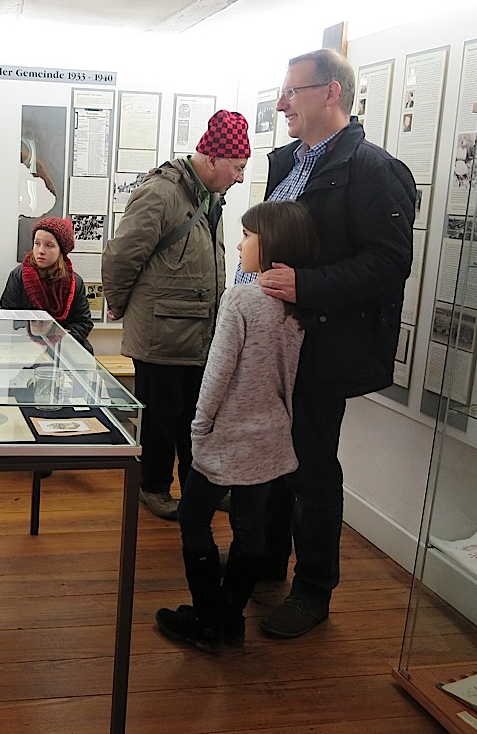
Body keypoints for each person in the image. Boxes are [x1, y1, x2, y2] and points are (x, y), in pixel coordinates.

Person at [250, 49, 415, 638]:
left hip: (324, 345)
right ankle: (267, 562)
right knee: (273, 458)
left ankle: (314, 590)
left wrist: (309, 286)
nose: (280, 104)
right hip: (277, 342)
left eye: (291, 92)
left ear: (331, 93)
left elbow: (390, 262)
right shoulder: (288, 161)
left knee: (312, 469)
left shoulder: (374, 170)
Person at [155, 200, 320, 653]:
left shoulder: (241, 299)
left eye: (248, 236)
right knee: (250, 529)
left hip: (226, 436)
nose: (241, 243)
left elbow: (217, 373)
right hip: (270, 437)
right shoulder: (299, 307)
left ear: (271, 244)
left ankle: (208, 618)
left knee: (193, 517)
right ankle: (230, 620)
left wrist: (199, 428)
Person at [102, 109, 250, 521]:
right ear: (213, 158)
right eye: (238, 167)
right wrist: (118, 304)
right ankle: (152, 487)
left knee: (196, 417)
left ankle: (198, 488)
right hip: (161, 333)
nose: (241, 178)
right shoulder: (161, 192)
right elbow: (121, 256)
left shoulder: (210, 195)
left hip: (199, 331)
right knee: (160, 418)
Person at [1, 216, 94, 353]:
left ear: (61, 250)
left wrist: (60, 336)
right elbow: (7, 317)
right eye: (37, 243)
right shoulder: (18, 276)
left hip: (63, 350)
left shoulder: (74, 282)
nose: (40, 251)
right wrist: (31, 334)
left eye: (49, 245)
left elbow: (83, 323)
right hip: (25, 348)